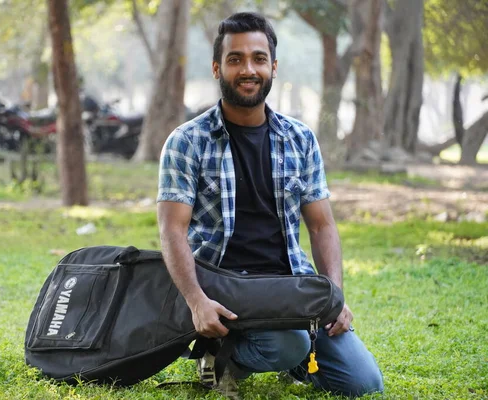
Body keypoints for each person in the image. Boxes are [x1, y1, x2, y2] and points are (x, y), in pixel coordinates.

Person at [156, 11, 383, 400]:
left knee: (364, 384)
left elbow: (321, 226)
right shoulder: (186, 141)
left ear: (273, 67)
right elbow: (172, 230)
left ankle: (286, 352)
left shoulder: (300, 139)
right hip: (223, 288)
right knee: (290, 344)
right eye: (235, 59)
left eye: (259, 59)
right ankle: (222, 358)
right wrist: (196, 302)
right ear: (216, 68)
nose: (249, 69)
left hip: (287, 284)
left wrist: (334, 298)